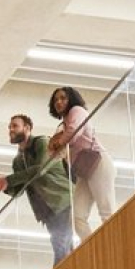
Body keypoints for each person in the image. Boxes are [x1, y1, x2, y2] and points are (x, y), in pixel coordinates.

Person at [0, 112, 76, 265]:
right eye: (9, 127)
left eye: (15, 126)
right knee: (64, 246)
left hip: (62, 201)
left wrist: (9, 180)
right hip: (46, 211)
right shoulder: (18, 161)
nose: (11, 130)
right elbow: (19, 191)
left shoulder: (42, 142)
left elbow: (40, 169)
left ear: (27, 128)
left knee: (61, 246)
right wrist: (4, 186)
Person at [46, 85, 116, 240]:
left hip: (98, 164)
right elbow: (53, 153)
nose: (59, 102)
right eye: (56, 99)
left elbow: (73, 133)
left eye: (63, 98)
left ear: (71, 99)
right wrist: (57, 144)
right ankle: (92, 247)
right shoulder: (62, 125)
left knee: (106, 209)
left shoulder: (77, 111)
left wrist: (58, 142)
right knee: (77, 216)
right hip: (84, 171)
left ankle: (114, 243)